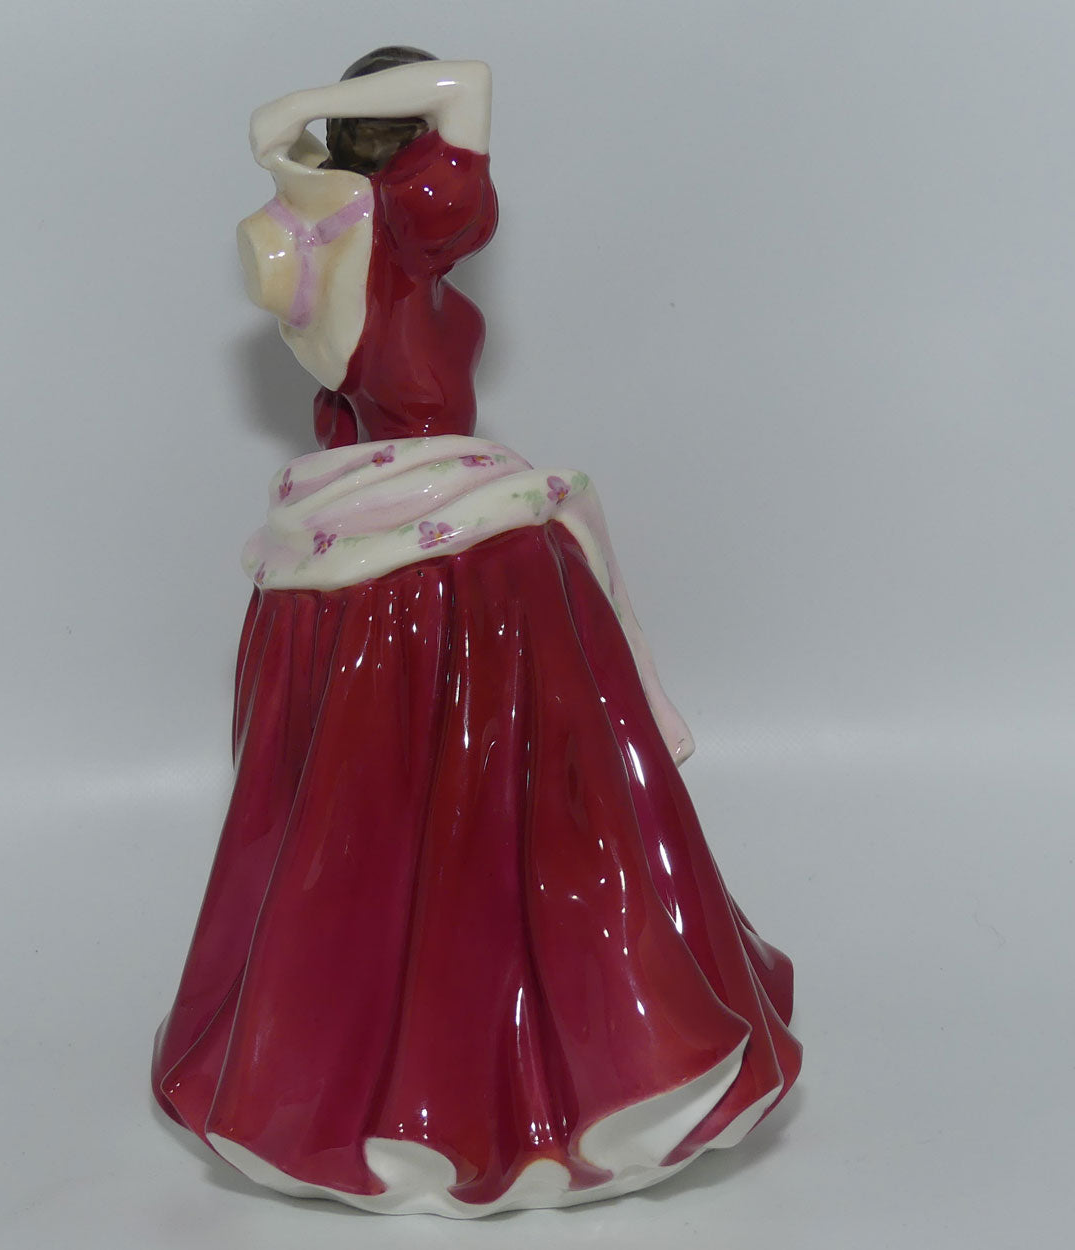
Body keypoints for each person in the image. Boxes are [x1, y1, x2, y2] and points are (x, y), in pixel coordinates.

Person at [152, 50, 800, 1217]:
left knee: (495, 808)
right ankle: (428, 1078)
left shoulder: (314, 239)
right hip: (430, 556)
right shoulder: (365, 240)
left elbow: (444, 96)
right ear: (414, 163)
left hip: (405, 529)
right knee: (446, 809)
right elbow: (464, 84)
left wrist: (299, 124)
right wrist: (306, 112)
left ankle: (498, 1046)